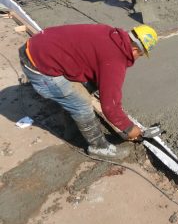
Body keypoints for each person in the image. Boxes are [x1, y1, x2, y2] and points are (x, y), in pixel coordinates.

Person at [19, 24, 158, 158]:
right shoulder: (115, 61)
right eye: (141, 55)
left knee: (83, 90)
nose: (138, 58)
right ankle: (99, 147)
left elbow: (91, 62)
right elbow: (110, 107)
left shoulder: (110, 33)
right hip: (38, 67)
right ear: (135, 50)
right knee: (82, 104)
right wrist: (129, 128)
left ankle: (72, 129)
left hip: (37, 45)